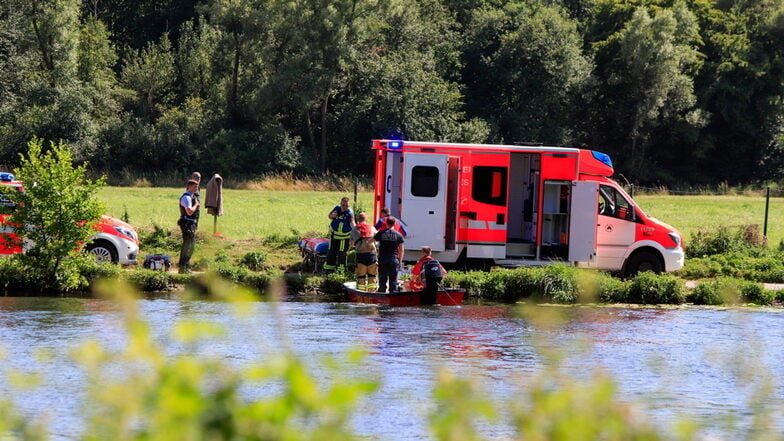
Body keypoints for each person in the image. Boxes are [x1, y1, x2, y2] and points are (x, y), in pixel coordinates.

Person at [323, 197, 355, 273]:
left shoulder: (350, 213)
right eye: (343, 205)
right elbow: (330, 216)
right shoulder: (337, 208)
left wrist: (357, 231)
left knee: (341, 255)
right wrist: (332, 216)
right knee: (331, 253)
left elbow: (352, 223)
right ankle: (328, 270)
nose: (344, 207)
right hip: (334, 236)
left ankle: (341, 272)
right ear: (340, 204)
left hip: (344, 239)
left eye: (346, 206)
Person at [374, 216, 405, 292]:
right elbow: (401, 249)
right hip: (393, 260)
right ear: (394, 223)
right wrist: (400, 261)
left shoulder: (381, 233)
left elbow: (370, 241)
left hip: (383, 259)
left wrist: (376, 251)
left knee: (382, 279)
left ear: (386, 223)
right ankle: (392, 295)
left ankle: (381, 293)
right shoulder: (399, 235)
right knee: (393, 280)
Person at [350, 212, 377, 290]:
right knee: (372, 276)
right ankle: (372, 293)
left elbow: (351, 244)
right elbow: (377, 239)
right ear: (366, 219)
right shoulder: (372, 228)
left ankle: (361, 295)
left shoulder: (354, 229)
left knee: (361, 276)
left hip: (361, 255)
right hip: (372, 255)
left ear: (358, 219)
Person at [178, 179, 200, 273]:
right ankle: (183, 268)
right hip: (187, 223)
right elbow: (189, 212)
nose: (196, 188)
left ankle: (184, 267)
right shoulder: (186, 197)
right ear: (190, 186)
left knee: (189, 246)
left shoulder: (191, 196)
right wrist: (196, 205)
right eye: (195, 186)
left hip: (190, 223)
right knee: (188, 246)